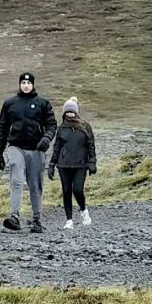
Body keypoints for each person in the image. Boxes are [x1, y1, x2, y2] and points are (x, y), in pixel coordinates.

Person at [0, 71, 56, 233]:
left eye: (29, 83)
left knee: (35, 184)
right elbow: (2, 128)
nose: (26, 86)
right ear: (19, 84)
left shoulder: (43, 103)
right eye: (23, 83)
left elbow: (51, 125)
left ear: (33, 85)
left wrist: (46, 139)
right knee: (16, 179)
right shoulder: (10, 103)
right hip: (16, 146)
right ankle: (14, 216)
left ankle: (37, 220)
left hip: (36, 149)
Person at [47, 97, 96, 228]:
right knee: (66, 190)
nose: (70, 114)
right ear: (64, 113)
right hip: (64, 165)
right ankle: (69, 220)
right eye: (67, 112)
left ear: (76, 112)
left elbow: (91, 145)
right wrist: (51, 165)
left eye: (72, 111)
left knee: (78, 190)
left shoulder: (85, 127)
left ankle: (83, 210)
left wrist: (92, 162)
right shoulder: (61, 128)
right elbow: (56, 148)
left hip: (81, 164)